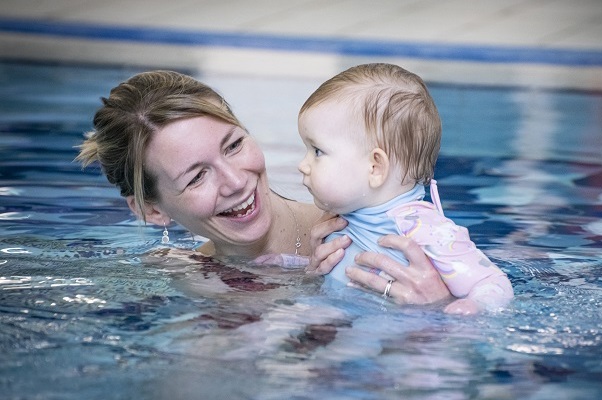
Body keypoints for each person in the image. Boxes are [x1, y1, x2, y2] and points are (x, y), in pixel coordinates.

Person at [76, 69, 451, 305]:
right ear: (151, 210)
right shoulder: (192, 279)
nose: (236, 181)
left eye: (234, 145)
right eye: (197, 176)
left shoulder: (379, 227)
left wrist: (439, 303)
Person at [297, 63, 513, 314]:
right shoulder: (341, 220)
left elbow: (493, 283)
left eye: (317, 151)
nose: (303, 165)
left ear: (375, 168)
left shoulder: (422, 229)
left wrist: (474, 306)